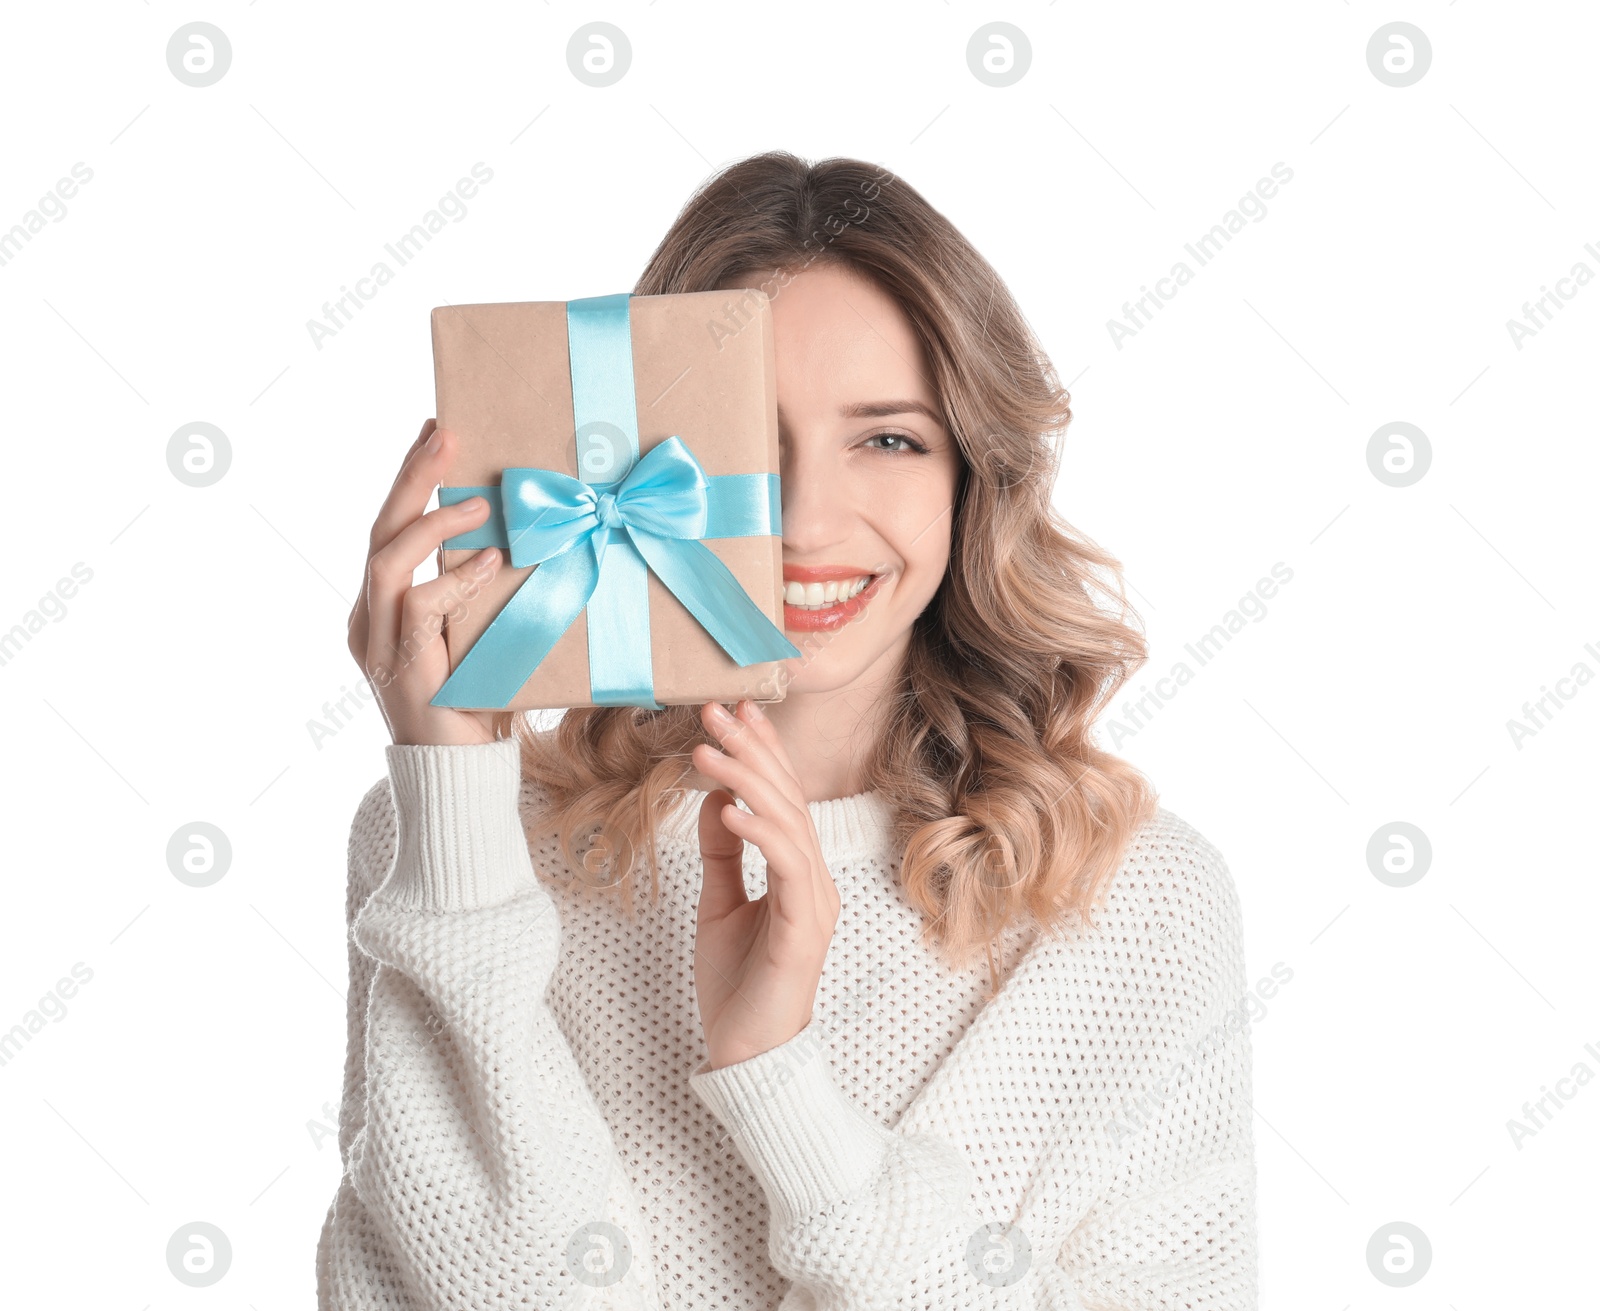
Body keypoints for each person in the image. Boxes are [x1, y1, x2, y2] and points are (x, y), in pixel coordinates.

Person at [317, 151, 1257, 1309]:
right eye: (749, 445)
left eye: (890, 439)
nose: (808, 519)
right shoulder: (463, 842)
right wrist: (452, 813)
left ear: (973, 479)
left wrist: (775, 1081)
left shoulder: (1140, 907)